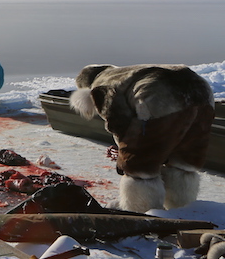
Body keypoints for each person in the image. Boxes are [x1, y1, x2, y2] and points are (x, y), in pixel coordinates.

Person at [70, 63, 214, 213]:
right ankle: (183, 210)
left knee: (140, 169)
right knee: (184, 162)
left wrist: (126, 157)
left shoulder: (100, 87)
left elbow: (119, 123)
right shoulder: (125, 73)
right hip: (203, 94)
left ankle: (144, 213)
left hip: (161, 98)